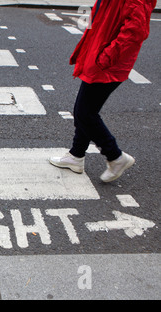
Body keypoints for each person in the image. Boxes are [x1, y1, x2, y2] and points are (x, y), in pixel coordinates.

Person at [49, 0, 157, 182]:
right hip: (99, 56)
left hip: (108, 63)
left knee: (85, 113)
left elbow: (136, 30)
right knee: (85, 110)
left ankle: (115, 156)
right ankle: (76, 155)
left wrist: (106, 56)